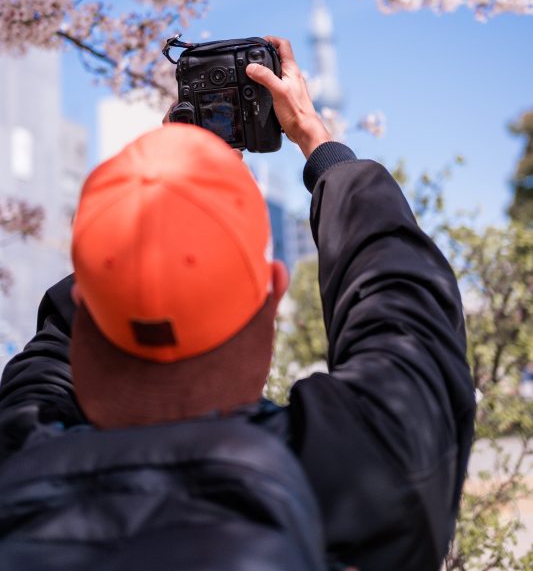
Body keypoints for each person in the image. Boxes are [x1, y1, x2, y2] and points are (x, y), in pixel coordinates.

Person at [0, 37, 475, 570]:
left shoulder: (14, 455)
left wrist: (144, 202)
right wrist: (321, 145)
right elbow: (405, 311)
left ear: (83, 306)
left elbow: (42, 371)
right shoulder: (356, 471)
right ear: (273, 295)